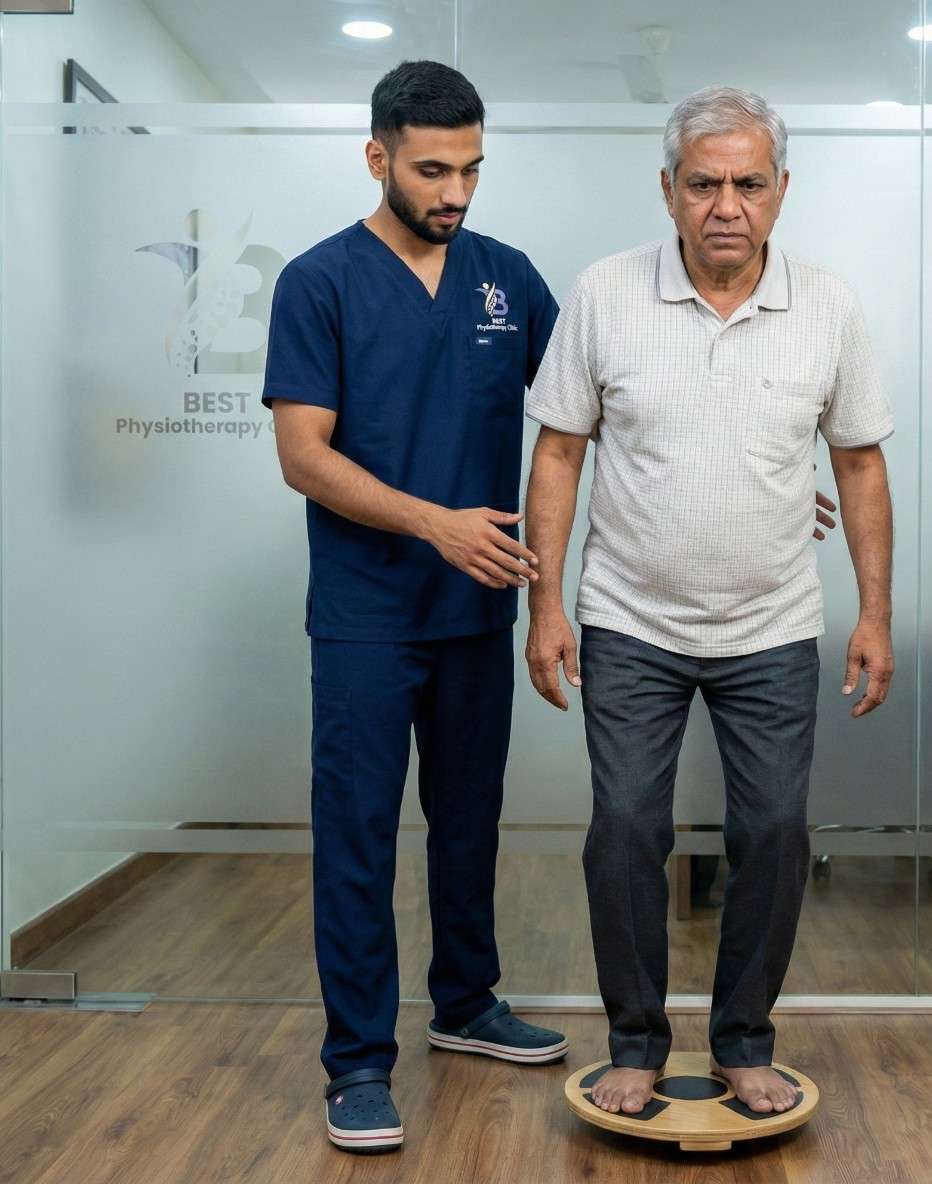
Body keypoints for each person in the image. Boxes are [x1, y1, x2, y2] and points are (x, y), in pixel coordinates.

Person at [522, 86, 896, 1118]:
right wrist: (544, 607)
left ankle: (742, 1040)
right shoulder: (604, 293)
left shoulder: (826, 304)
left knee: (774, 829)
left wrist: (873, 613)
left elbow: (856, 465)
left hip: (772, 625)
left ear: (780, 191)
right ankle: (635, 1042)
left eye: (747, 183)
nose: (724, 205)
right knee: (627, 826)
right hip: (629, 618)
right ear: (667, 190)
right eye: (702, 183)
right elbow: (557, 451)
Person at [263, 60, 567, 1156]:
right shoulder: (320, 281)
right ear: (377, 155)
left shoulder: (506, 278)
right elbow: (303, 456)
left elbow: (586, 416)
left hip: (475, 615)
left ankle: (466, 1001)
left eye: (471, 169)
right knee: (355, 834)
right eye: (433, 169)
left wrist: (743, 465)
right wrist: (437, 523)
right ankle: (355, 1061)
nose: (456, 192)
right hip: (363, 615)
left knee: (467, 822)